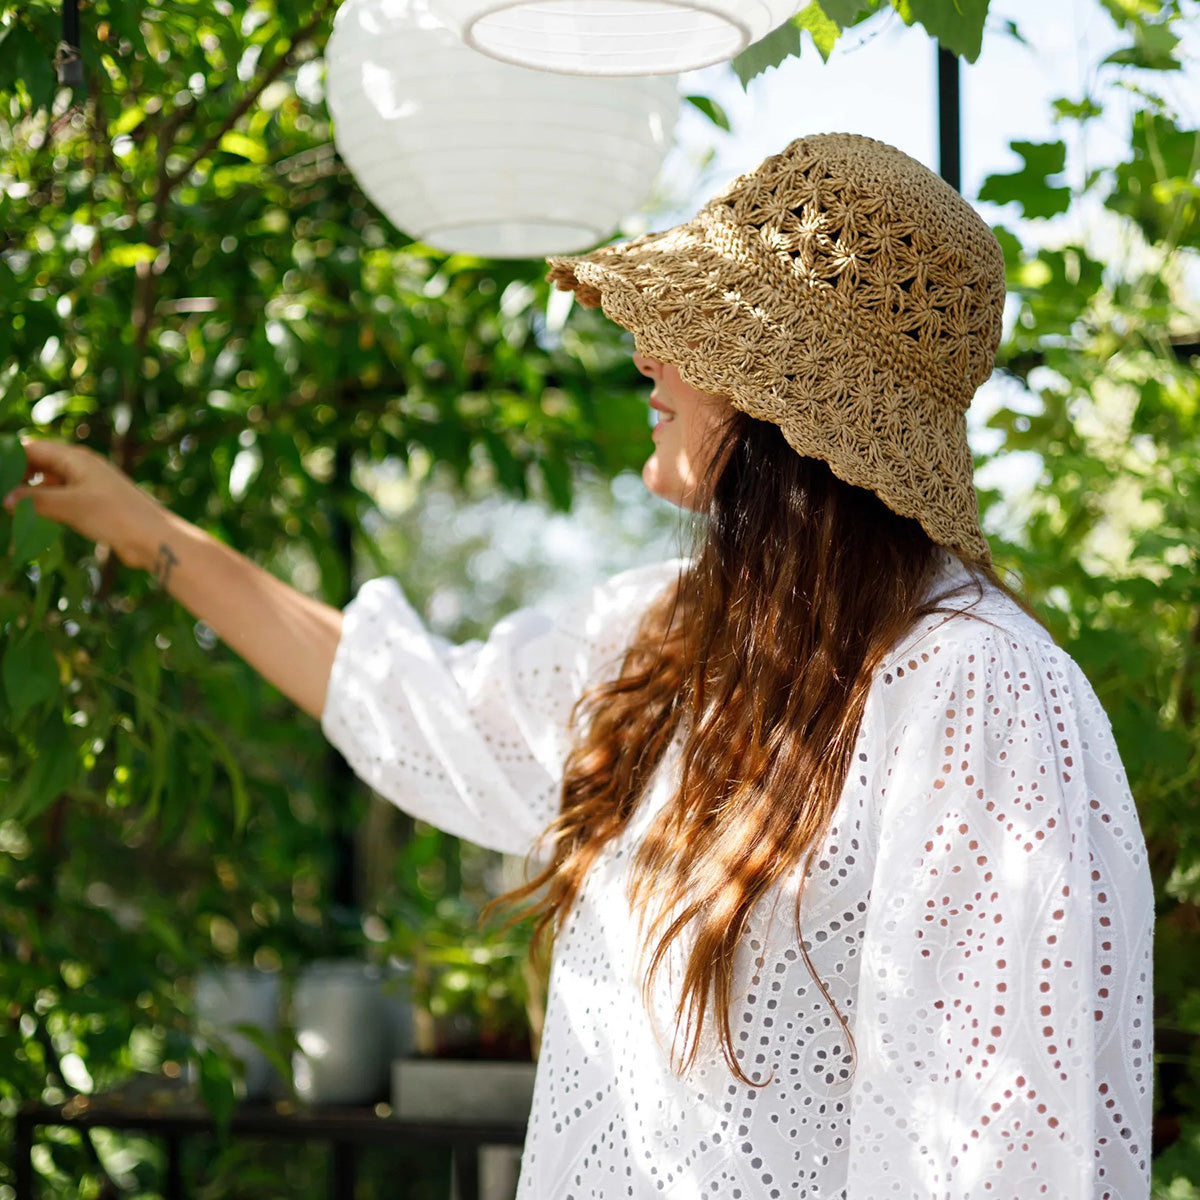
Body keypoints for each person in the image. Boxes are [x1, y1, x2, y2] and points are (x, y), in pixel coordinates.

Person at [7, 133, 1154, 1200]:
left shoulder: (975, 690)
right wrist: (138, 527)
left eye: (696, 333)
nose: (646, 351)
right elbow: (410, 700)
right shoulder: (675, 638)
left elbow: (991, 1148)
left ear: (786, 404)